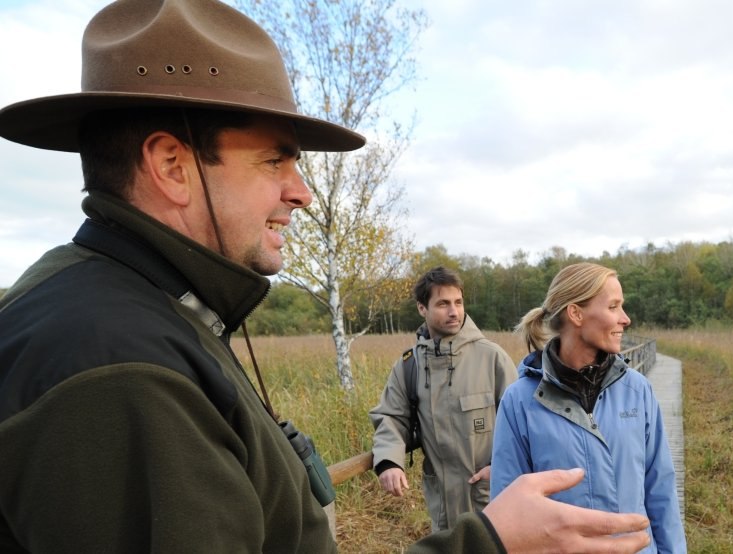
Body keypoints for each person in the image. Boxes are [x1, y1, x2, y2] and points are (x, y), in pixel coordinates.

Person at [0, 1, 653, 552]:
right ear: (172, 165)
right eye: (274, 161)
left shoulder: (148, 312)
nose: (301, 192)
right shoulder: (118, 373)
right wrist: (490, 543)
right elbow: (394, 413)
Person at [491, 262, 687, 553]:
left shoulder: (638, 391)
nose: (626, 319)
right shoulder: (519, 402)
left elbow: (661, 492)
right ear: (576, 314)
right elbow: (509, 510)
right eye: (613, 307)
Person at [370, 267, 518, 532]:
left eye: (458, 302)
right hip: (441, 508)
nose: (454, 312)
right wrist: (389, 461)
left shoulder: (492, 357)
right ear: (422, 308)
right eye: (443, 304)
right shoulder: (409, 365)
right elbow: (390, 417)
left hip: (492, 500)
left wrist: (499, 468)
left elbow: (522, 423)